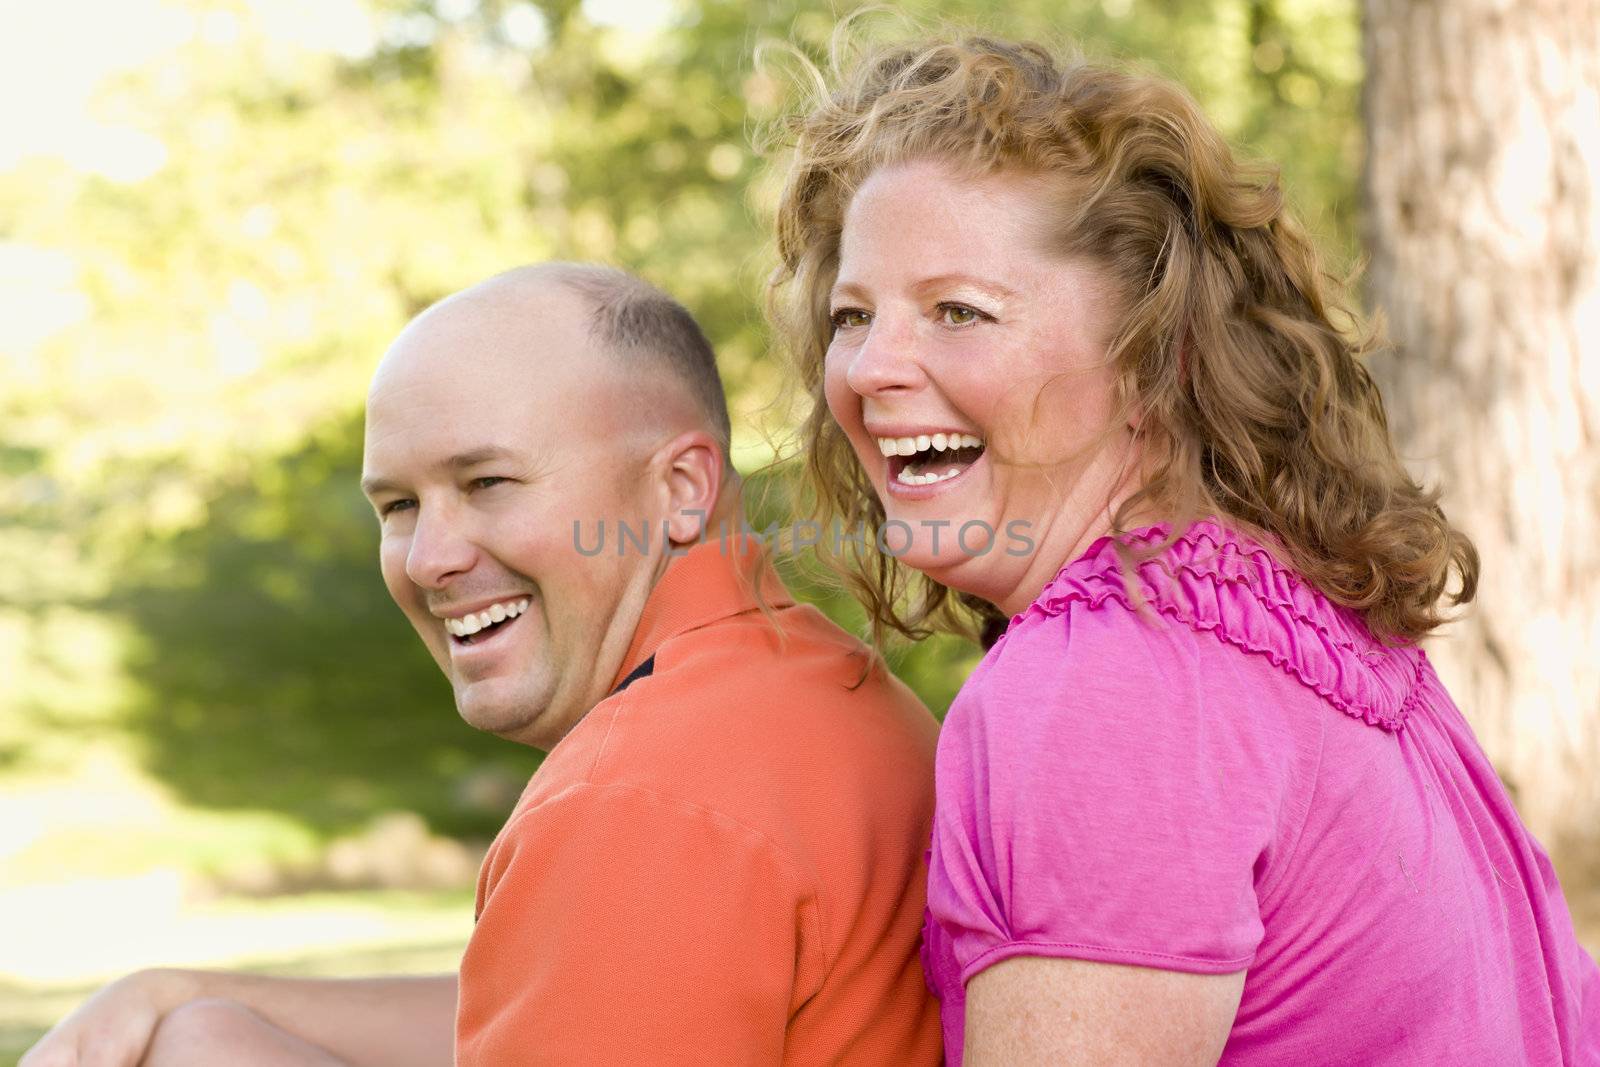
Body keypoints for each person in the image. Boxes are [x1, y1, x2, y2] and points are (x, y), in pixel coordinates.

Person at [766, 34, 1600, 1065]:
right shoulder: (1305, 624)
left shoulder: (1106, 687)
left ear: (1156, 355)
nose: (867, 367)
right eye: (854, 314)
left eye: (958, 310)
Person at [23, 263, 943, 1066]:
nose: (429, 559)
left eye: (487, 483)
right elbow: (578, 1006)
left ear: (680, 488)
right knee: (204, 1035)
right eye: (396, 505)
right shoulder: (828, 683)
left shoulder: (634, 796)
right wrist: (177, 994)